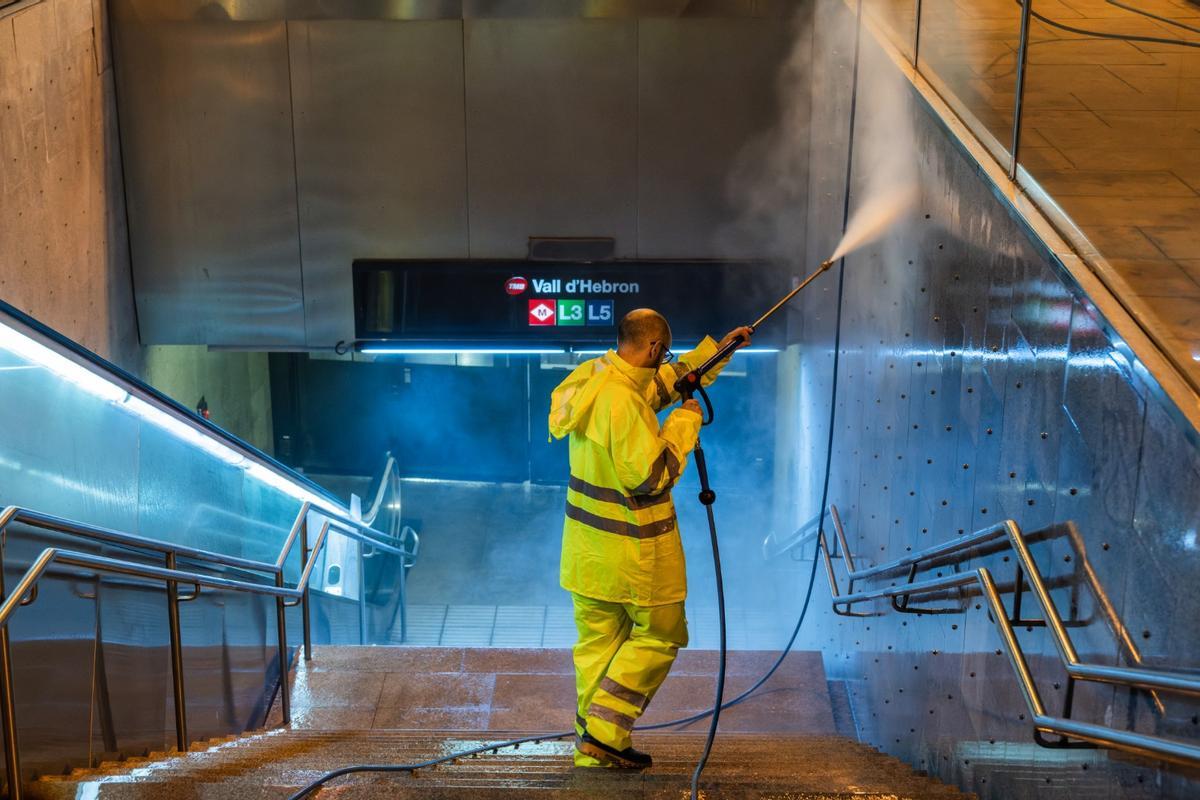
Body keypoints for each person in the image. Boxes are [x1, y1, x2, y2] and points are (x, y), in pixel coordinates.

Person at [548, 309, 751, 769]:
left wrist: (717, 351)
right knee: (661, 635)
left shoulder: (597, 377)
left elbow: (657, 386)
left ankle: (594, 751)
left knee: (599, 647)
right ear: (656, 348)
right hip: (634, 553)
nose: (666, 362)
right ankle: (604, 732)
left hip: (587, 556)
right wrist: (684, 423)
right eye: (667, 353)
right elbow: (651, 477)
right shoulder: (622, 401)